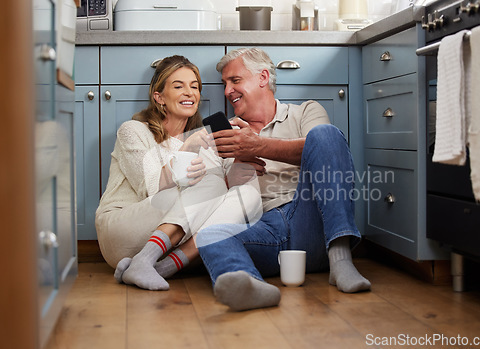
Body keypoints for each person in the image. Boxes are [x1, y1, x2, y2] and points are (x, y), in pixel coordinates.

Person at [195, 47, 371, 311]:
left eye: (235, 81)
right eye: (225, 84)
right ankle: (251, 286)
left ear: (263, 77)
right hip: (265, 227)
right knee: (210, 235)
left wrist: (257, 146)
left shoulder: (305, 112)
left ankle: (341, 259)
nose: (227, 91)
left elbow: (324, 149)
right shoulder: (230, 136)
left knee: (325, 134)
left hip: (311, 220)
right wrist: (240, 162)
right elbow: (228, 197)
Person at [95, 55, 262, 291]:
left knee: (248, 195)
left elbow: (231, 197)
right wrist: (187, 148)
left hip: (172, 242)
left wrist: (242, 154)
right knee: (211, 184)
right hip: (122, 230)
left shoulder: (207, 143)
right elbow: (150, 188)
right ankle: (144, 260)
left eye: (194, 87)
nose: (189, 92)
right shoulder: (134, 131)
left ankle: (162, 267)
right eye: (178, 86)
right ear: (159, 97)